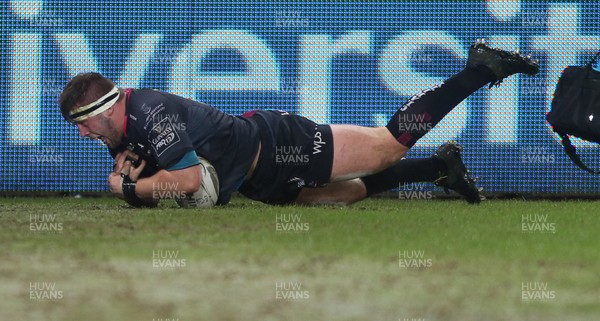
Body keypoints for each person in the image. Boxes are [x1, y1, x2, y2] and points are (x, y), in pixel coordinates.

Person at [58, 39, 539, 207]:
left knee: (388, 145)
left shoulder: (151, 111)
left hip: (276, 143)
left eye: (83, 124)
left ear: (103, 110)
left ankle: (480, 68)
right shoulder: (118, 129)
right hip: (255, 179)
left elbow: (183, 182)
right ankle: (439, 170)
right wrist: (134, 185)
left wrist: (123, 188)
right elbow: (157, 189)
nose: (82, 135)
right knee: (345, 195)